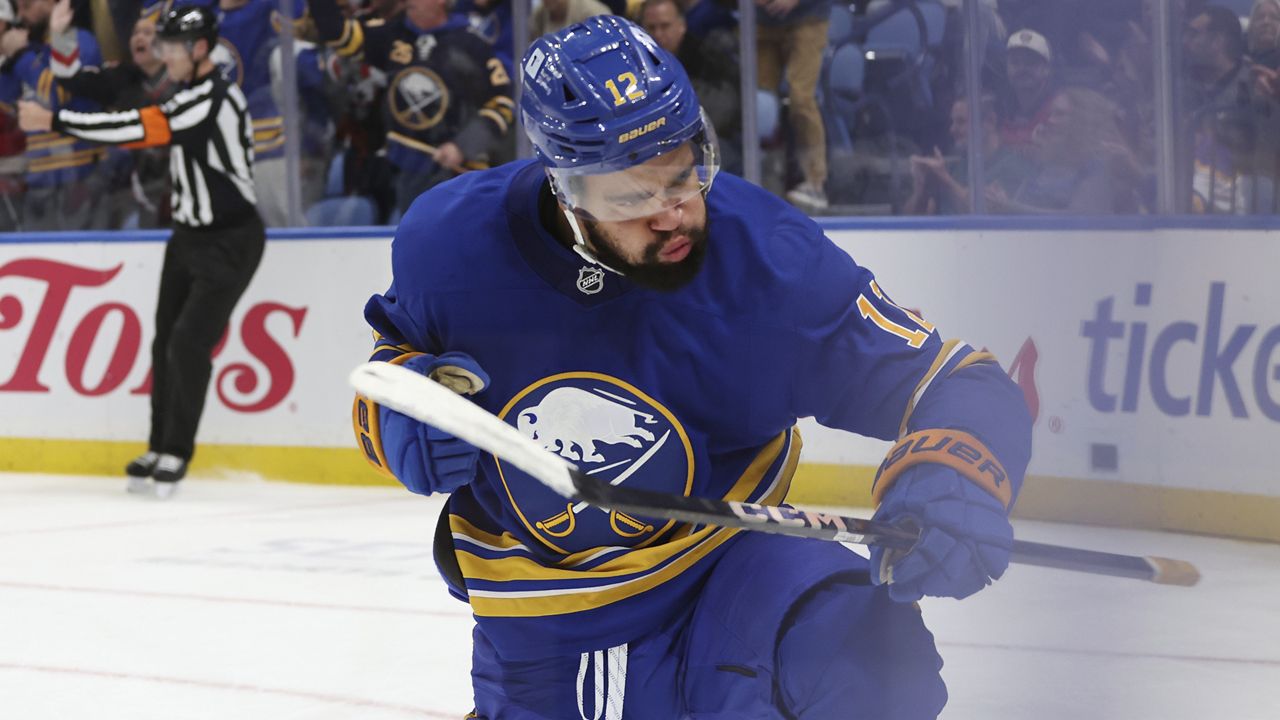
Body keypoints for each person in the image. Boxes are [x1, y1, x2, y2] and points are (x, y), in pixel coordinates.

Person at [352, 16, 1031, 717]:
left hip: (738, 572)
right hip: (554, 626)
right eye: (633, 199)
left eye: (685, 177)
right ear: (566, 190)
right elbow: (389, 366)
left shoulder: (768, 264)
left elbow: (958, 380)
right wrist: (401, 419)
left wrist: (955, 470)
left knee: (863, 658)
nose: (674, 216)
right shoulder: (450, 245)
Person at [20, 5, 264, 498]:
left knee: (187, 343)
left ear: (198, 50)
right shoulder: (186, 90)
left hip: (231, 240)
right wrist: (63, 41)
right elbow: (98, 87)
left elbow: (141, 128)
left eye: (172, 46)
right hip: (189, 236)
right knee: (162, 343)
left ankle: (177, 450)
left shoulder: (212, 98)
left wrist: (55, 120)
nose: (164, 54)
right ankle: (158, 445)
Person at [308, 0, 515, 217]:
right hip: (407, 169)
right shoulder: (392, 35)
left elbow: (501, 104)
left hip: (459, 174)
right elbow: (337, 34)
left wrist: (461, 146)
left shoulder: (472, 46)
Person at [49, 0, 177, 228]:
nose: (139, 37)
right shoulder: (120, 79)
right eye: (135, 32)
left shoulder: (183, 80)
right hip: (139, 190)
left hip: (181, 187)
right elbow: (72, 78)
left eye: (147, 32)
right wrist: (60, 37)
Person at [0, 0, 105, 230]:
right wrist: (6, 59)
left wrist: (19, 56)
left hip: (81, 176)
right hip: (39, 180)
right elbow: (7, 105)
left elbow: (60, 94)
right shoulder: (29, 52)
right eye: (18, 9)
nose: (21, 15)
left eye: (27, 5)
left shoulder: (72, 39)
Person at [755, 0, 832, 211]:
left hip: (808, 17)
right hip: (760, 21)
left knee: (801, 99)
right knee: (762, 105)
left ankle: (815, 182)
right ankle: (762, 178)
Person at [903, 93, 1034, 215]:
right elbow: (913, 219)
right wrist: (922, 189)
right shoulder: (955, 168)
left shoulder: (1016, 168)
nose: (952, 129)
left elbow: (985, 214)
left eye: (961, 122)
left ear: (990, 121)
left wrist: (945, 179)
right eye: (952, 122)